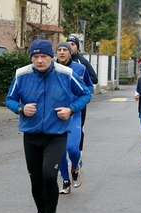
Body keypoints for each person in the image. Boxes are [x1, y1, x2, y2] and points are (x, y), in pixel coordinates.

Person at [5, 39, 91, 213]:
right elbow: (9, 99)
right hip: (32, 134)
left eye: (43, 56)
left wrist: (71, 110)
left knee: (49, 176)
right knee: (36, 180)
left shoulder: (66, 73)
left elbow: (86, 93)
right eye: (36, 57)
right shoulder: (22, 74)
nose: (40, 60)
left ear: (51, 57)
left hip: (56, 134)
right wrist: (20, 108)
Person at [55, 41, 94, 194]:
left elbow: (89, 88)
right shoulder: (51, 69)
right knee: (59, 152)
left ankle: (76, 167)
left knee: (72, 148)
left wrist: (76, 104)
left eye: (65, 49)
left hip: (74, 114)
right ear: (56, 53)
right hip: (55, 116)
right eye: (59, 50)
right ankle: (66, 181)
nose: (62, 52)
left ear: (71, 53)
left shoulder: (80, 68)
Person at [66, 35, 98, 167]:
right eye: (68, 44)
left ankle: (78, 155)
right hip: (62, 103)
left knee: (79, 130)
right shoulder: (58, 63)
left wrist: (80, 87)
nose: (70, 46)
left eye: (73, 44)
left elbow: (94, 79)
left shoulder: (82, 62)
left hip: (78, 103)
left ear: (77, 47)